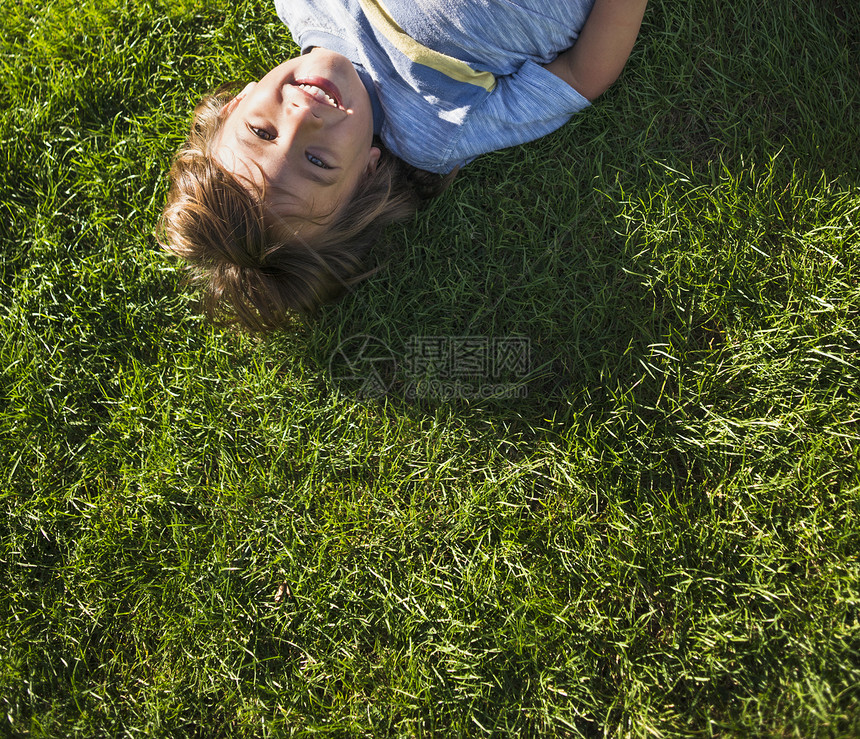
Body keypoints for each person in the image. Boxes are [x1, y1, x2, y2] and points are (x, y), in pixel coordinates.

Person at [159, 0, 648, 332]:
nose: (302, 118)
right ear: (368, 174)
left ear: (235, 104)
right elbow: (582, 75)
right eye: (317, 160)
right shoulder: (436, 130)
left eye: (260, 133)